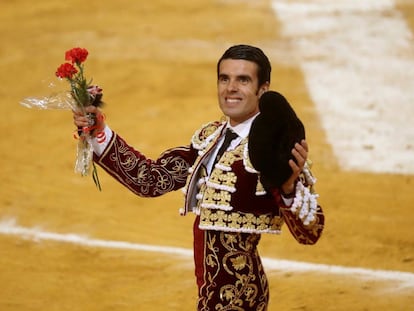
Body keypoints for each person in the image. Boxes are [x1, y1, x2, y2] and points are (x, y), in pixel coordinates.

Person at [73, 44, 324, 310]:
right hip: (212, 292)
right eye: (224, 78)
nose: (231, 88)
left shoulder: (272, 148)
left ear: (263, 89)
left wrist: (287, 187)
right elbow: (150, 179)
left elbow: (312, 231)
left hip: (239, 297)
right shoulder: (210, 138)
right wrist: (100, 131)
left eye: (243, 80)